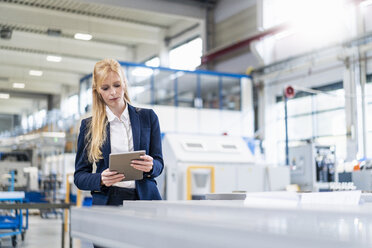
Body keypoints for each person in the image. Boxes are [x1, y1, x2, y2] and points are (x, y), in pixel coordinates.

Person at [74, 58, 163, 206]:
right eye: (105, 88)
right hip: (109, 200)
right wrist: (100, 179)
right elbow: (79, 176)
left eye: (117, 85)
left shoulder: (148, 117)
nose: (113, 92)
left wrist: (152, 166)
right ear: (97, 91)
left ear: (125, 83)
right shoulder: (89, 126)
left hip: (146, 199)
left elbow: (159, 163)